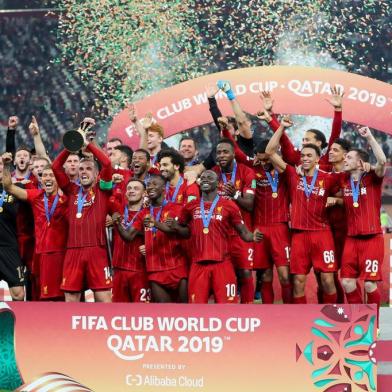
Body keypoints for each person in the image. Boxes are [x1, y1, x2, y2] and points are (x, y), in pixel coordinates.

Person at [265, 117, 340, 304]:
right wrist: (281, 126)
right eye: (303, 156)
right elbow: (269, 151)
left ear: (317, 159)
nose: (305, 159)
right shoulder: (292, 174)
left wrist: (336, 199)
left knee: (327, 280)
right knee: (298, 281)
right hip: (298, 235)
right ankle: (302, 322)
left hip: (322, 234)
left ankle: (331, 322)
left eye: (309, 156)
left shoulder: (328, 178)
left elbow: (345, 196)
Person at [168, 170, 262, 303]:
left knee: (227, 308)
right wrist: (176, 227)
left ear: (218, 183)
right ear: (199, 183)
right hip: (198, 265)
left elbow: (244, 233)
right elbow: (185, 231)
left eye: (210, 178)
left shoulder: (230, 206)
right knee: (196, 310)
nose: (205, 179)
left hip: (222, 264)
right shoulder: (191, 206)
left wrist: (253, 237)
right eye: (203, 178)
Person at [52, 132, 113, 303]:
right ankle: (70, 330)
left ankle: (104, 330)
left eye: (88, 169)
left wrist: (89, 144)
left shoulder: (103, 189)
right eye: (81, 169)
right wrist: (70, 146)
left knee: (104, 298)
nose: (84, 172)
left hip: (97, 250)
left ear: (96, 174)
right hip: (73, 251)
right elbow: (56, 167)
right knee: (71, 298)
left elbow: (107, 164)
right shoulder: (71, 191)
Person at [113, 174, 188, 303]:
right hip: (154, 269)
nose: (150, 187)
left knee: (185, 311)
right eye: (148, 185)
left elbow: (187, 233)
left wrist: (157, 224)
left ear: (163, 188)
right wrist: (117, 223)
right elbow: (128, 237)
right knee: (164, 314)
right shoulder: (143, 213)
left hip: (177, 266)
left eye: (154, 184)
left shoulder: (177, 208)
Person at [2, 156, 67, 300]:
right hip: (41, 255)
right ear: (40, 180)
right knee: (43, 297)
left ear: (58, 179)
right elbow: (8, 187)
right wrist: (7, 166)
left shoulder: (67, 200)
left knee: (64, 296)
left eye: (52, 175)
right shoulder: (36, 196)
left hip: (62, 255)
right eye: (44, 175)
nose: (48, 178)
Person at [339, 126, 386, 324]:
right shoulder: (342, 179)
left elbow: (382, 161)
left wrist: (369, 137)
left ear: (360, 162)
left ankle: (372, 325)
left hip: (372, 239)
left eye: (348, 157)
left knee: (369, 285)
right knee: (347, 282)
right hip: (351, 239)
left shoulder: (373, 178)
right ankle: (359, 322)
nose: (344, 160)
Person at [212, 138, 256, 303]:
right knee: (224, 274)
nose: (221, 155)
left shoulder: (246, 172)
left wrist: (235, 195)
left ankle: (248, 311)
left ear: (234, 154)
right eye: (219, 152)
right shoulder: (213, 173)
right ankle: (227, 312)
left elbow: (250, 205)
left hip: (241, 233)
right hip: (219, 235)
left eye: (225, 152)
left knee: (245, 273)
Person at [260, 86, 343, 166]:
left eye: (307, 140)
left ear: (319, 143)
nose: (303, 142)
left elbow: (335, 135)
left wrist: (338, 110)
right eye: (303, 140)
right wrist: (270, 114)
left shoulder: (326, 160)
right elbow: (282, 137)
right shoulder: (295, 156)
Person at [252, 140, 292, 304]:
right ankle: (270, 315)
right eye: (261, 160)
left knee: (284, 275)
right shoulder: (253, 170)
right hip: (260, 228)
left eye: (267, 160)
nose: (264, 164)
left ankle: (290, 314)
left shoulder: (285, 171)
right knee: (265, 275)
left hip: (280, 228)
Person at [111, 179, 150, 303]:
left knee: (142, 313)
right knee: (118, 313)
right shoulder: (118, 211)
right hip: (119, 269)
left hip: (140, 270)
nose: (131, 191)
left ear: (144, 193)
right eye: (129, 188)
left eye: (136, 188)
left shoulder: (149, 214)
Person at [0, 155, 25, 301]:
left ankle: (20, 323)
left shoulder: (17, 189)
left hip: (10, 246)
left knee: (18, 293)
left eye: (1, 164)